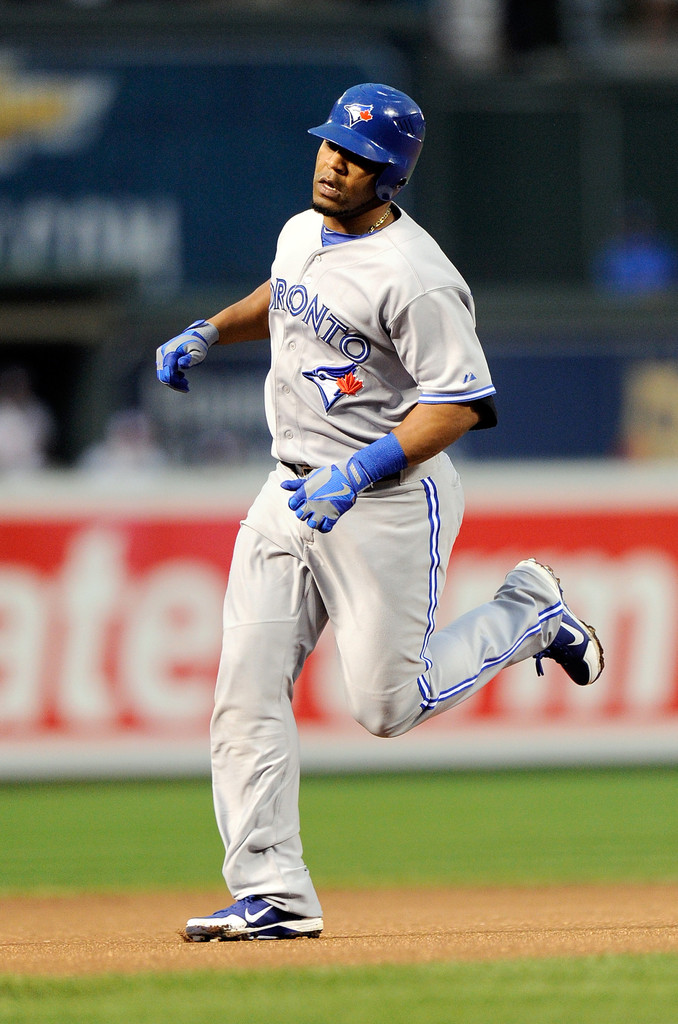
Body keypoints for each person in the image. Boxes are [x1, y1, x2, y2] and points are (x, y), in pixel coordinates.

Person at [156, 83, 604, 942]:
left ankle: (530, 612)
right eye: (330, 144)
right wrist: (211, 329)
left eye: (357, 156)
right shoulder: (300, 229)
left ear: (390, 176)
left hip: (387, 499)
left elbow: (461, 404)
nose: (335, 162)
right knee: (244, 692)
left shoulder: (418, 278)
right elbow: (287, 295)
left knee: (388, 707)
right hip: (287, 489)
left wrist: (357, 472)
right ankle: (276, 896)